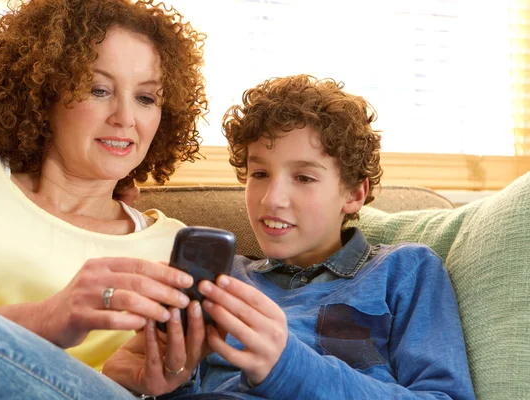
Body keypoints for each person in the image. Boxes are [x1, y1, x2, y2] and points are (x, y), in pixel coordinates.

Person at [117, 75, 476, 399]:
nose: (271, 199)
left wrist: (286, 364)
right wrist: (163, 378)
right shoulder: (227, 279)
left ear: (354, 194)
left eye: (304, 178)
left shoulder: (405, 270)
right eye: (259, 173)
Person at [0, 0, 214, 398]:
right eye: (99, 89)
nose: (125, 117)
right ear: (44, 92)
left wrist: (137, 385)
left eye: (146, 98)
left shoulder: (176, 249)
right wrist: (45, 319)